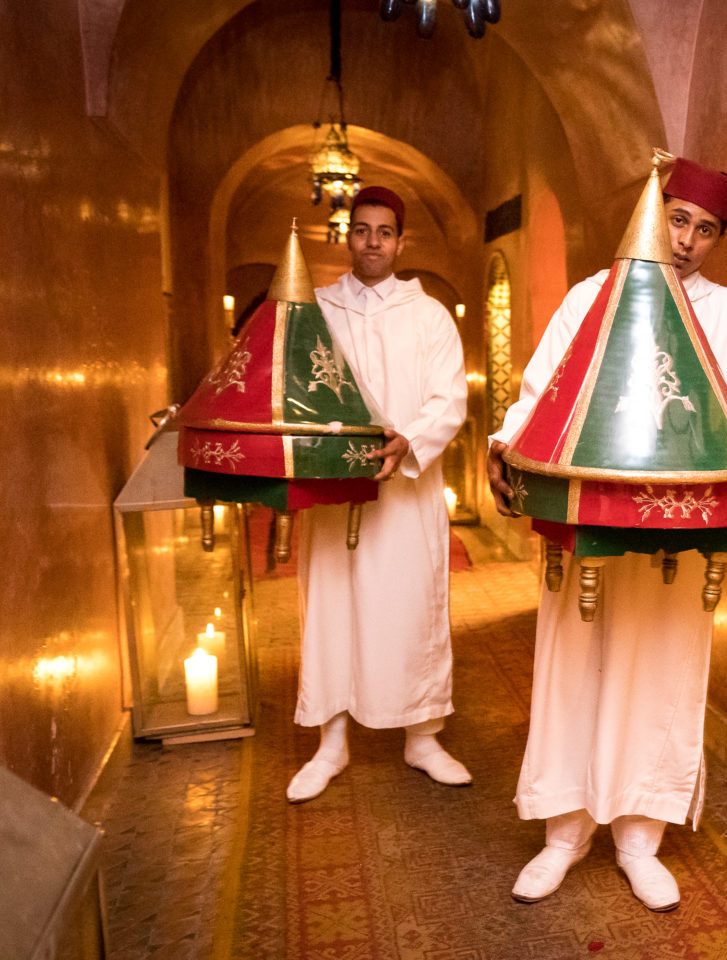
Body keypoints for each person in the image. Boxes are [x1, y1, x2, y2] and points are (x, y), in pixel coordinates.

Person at [486, 158, 727, 911]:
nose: (686, 240)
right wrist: (505, 442)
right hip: (585, 516)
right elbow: (537, 392)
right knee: (573, 663)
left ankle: (641, 840)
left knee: (663, 668)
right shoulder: (591, 297)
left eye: (704, 230)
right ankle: (563, 835)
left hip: (679, 526)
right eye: (678, 219)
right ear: (655, 212)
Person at [287, 186, 471, 803]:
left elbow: (450, 400)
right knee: (334, 606)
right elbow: (293, 390)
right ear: (348, 238)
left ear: (400, 240)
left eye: (384, 232)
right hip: (333, 491)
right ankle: (331, 742)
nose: (372, 242)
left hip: (407, 494)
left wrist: (408, 441)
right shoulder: (316, 309)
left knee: (410, 607)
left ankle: (422, 736)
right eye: (361, 230)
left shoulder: (429, 316)